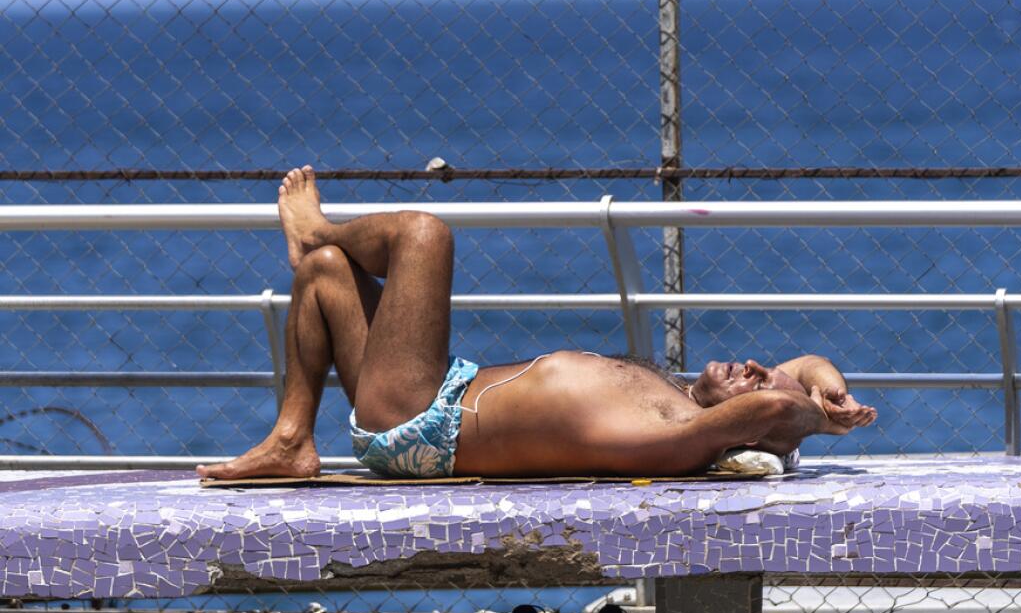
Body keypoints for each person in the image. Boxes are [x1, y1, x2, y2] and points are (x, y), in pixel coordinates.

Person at [196, 166, 877, 481]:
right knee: (322, 276)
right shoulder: (673, 395)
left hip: (423, 422)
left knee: (425, 234)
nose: (754, 367)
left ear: (742, 425)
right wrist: (832, 392)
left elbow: (776, 403)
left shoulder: (674, 435)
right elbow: (806, 370)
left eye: (754, 386)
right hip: (438, 394)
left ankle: (317, 227)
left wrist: (812, 418)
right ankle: (291, 438)